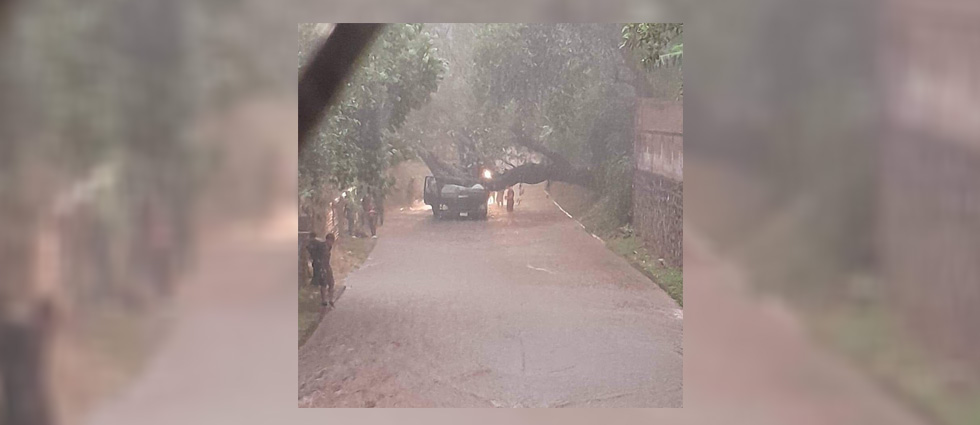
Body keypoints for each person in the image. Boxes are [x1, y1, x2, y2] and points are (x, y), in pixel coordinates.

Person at [306, 231, 335, 307]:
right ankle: (324, 300)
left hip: (326, 265)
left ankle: (330, 299)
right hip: (321, 266)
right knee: (324, 283)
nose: (331, 243)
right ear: (328, 240)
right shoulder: (322, 246)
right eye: (331, 241)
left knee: (331, 282)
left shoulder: (328, 247)